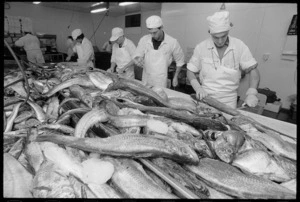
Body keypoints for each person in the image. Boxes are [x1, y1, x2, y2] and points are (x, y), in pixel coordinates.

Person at [186, 10, 260, 109]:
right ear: (210, 33)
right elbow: (190, 71)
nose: (220, 41)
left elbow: (253, 70)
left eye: (223, 36)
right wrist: (198, 88)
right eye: (215, 37)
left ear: (228, 31)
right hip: (206, 97)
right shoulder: (201, 47)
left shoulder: (239, 46)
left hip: (229, 100)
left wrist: (252, 92)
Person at [133, 15, 185, 88]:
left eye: (155, 32)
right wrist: (138, 59)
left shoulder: (172, 42)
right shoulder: (144, 40)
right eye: (150, 32)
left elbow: (180, 61)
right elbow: (137, 54)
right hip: (146, 78)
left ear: (161, 28)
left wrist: (175, 76)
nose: (152, 35)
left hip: (161, 80)